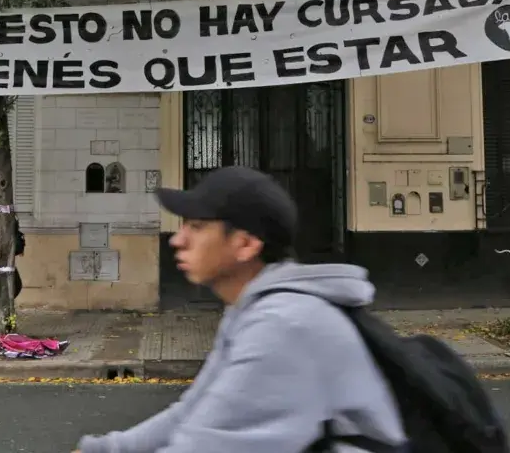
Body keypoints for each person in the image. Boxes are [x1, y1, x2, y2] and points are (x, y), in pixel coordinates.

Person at [74, 165, 406, 453]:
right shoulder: (250, 310)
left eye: (198, 226)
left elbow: (206, 444)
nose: (177, 239)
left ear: (246, 244)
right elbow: (192, 412)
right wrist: (107, 449)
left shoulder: (282, 325)